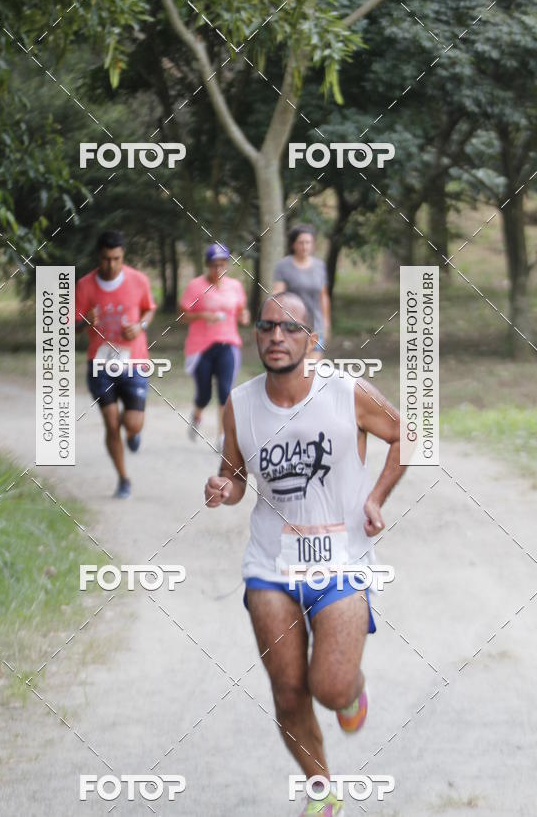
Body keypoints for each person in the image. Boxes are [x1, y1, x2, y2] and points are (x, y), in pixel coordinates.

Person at [205, 291, 405, 816]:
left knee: (330, 686)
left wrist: (377, 497)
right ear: (255, 335)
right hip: (270, 567)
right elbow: (235, 478)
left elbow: (408, 434)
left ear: (311, 339)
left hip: (342, 562)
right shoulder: (241, 404)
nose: (276, 337)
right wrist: (222, 489)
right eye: (268, 326)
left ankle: (350, 693)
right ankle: (323, 793)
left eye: (290, 328)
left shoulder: (346, 392)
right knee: (289, 691)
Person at [75, 230, 156, 499]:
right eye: (106, 259)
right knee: (111, 424)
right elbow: (71, 326)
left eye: (116, 259)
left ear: (123, 256)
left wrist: (140, 326)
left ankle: (132, 433)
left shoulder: (138, 280)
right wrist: (85, 321)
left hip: (133, 362)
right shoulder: (85, 286)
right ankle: (123, 479)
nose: (111, 265)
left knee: (132, 424)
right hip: (100, 364)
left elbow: (149, 308)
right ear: (99, 257)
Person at [180, 243, 250, 447]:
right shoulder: (195, 286)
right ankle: (197, 414)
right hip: (201, 347)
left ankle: (222, 436)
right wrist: (202, 315)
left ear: (227, 265)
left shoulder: (235, 286)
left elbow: (241, 311)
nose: (218, 270)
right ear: (207, 265)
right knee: (204, 393)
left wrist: (244, 316)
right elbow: (182, 314)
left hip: (228, 343)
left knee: (225, 390)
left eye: (222, 265)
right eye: (213, 265)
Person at [273, 224, 331, 356]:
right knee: (296, 370)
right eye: (301, 242)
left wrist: (326, 323)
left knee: (313, 369)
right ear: (293, 244)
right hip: (292, 326)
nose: (304, 246)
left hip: (316, 326)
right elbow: (277, 296)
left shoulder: (319, 266)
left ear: (313, 244)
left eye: (308, 242)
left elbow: (323, 297)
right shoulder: (283, 266)